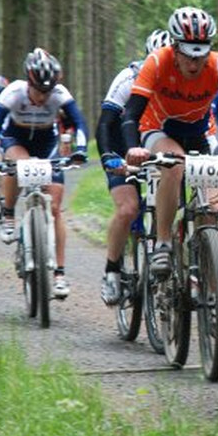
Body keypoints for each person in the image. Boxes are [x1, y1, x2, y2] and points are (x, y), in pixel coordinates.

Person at [122, 8, 218, 280]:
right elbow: (131, 115)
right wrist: (131, 148)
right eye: (187, 54)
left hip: (199, 132)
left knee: (214, 208)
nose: (194, 64)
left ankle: (208, 279)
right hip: (158, 128)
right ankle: (162, 243)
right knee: (175, 164)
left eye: (201, 53)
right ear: (174, 47)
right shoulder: (157, 63)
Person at [0, 49, 89, 300]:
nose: (42, 96)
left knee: (55, 208)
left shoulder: (60, 94)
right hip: (15, 138)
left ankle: (59, 274)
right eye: (38, 90)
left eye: (47, 91)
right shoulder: (13, 92)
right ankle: (8, 215)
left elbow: (79, 123)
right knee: (17, 164)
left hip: (46, 142)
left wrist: (81, 149)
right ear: (29, 83)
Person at [95, 28, 172, 306]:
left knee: (174, 209)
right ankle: (112, 271)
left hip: (156, 148)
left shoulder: (178, 83)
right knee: (128, 208)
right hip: (122, 150)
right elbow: (104, 124)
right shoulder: (128, 78)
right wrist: (108, 157)